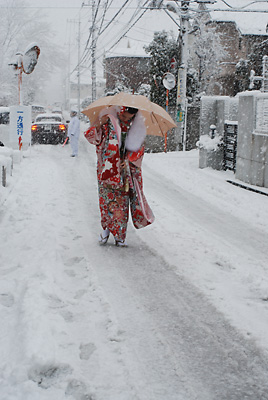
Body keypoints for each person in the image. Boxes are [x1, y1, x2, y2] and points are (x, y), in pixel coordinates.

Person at [84, 105, 154, 247]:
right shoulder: (108, 121)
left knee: (121, 205)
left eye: (128, 118)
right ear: (120, 111)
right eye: (123, 116)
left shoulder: (136, 129)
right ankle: (105, 230)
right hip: (107, 169)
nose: (124, 119)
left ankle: (120, 235)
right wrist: (99, 124)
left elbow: (139, 150)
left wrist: (127, 161)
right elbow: (92, 138)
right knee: (106, 201)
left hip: (124, 172)